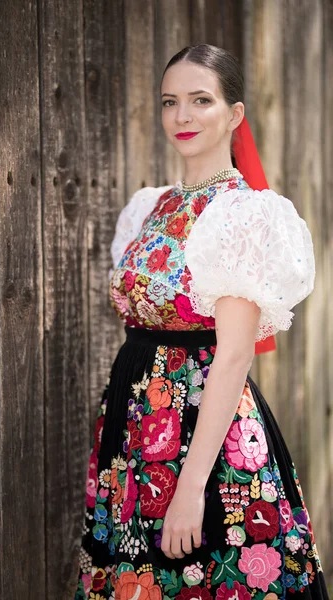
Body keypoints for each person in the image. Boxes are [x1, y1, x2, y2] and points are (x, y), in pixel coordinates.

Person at [74, 44, 330, 600]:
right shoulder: (148, 206)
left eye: (200, 100)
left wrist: (190, 487)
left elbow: (234, 354)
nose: (182, 116)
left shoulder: (243, 214)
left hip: (203, 427)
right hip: (135, 426)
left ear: (234, 115)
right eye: (170, 102)